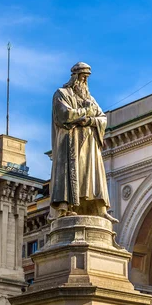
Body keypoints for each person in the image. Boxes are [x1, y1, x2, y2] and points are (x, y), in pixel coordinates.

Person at [50, 62, 117, 222]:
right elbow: (64, 115)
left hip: (89, 145)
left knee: (92, 175)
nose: (85, 81)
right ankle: (67, 208)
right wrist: (86, 112)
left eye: (87, 78)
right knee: (72, 175)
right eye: (83, 77)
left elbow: (102, 118)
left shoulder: (91, 99)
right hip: (70, 145)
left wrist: (88, 121)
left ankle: (99, 209)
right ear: (75, 77)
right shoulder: (61, 94)